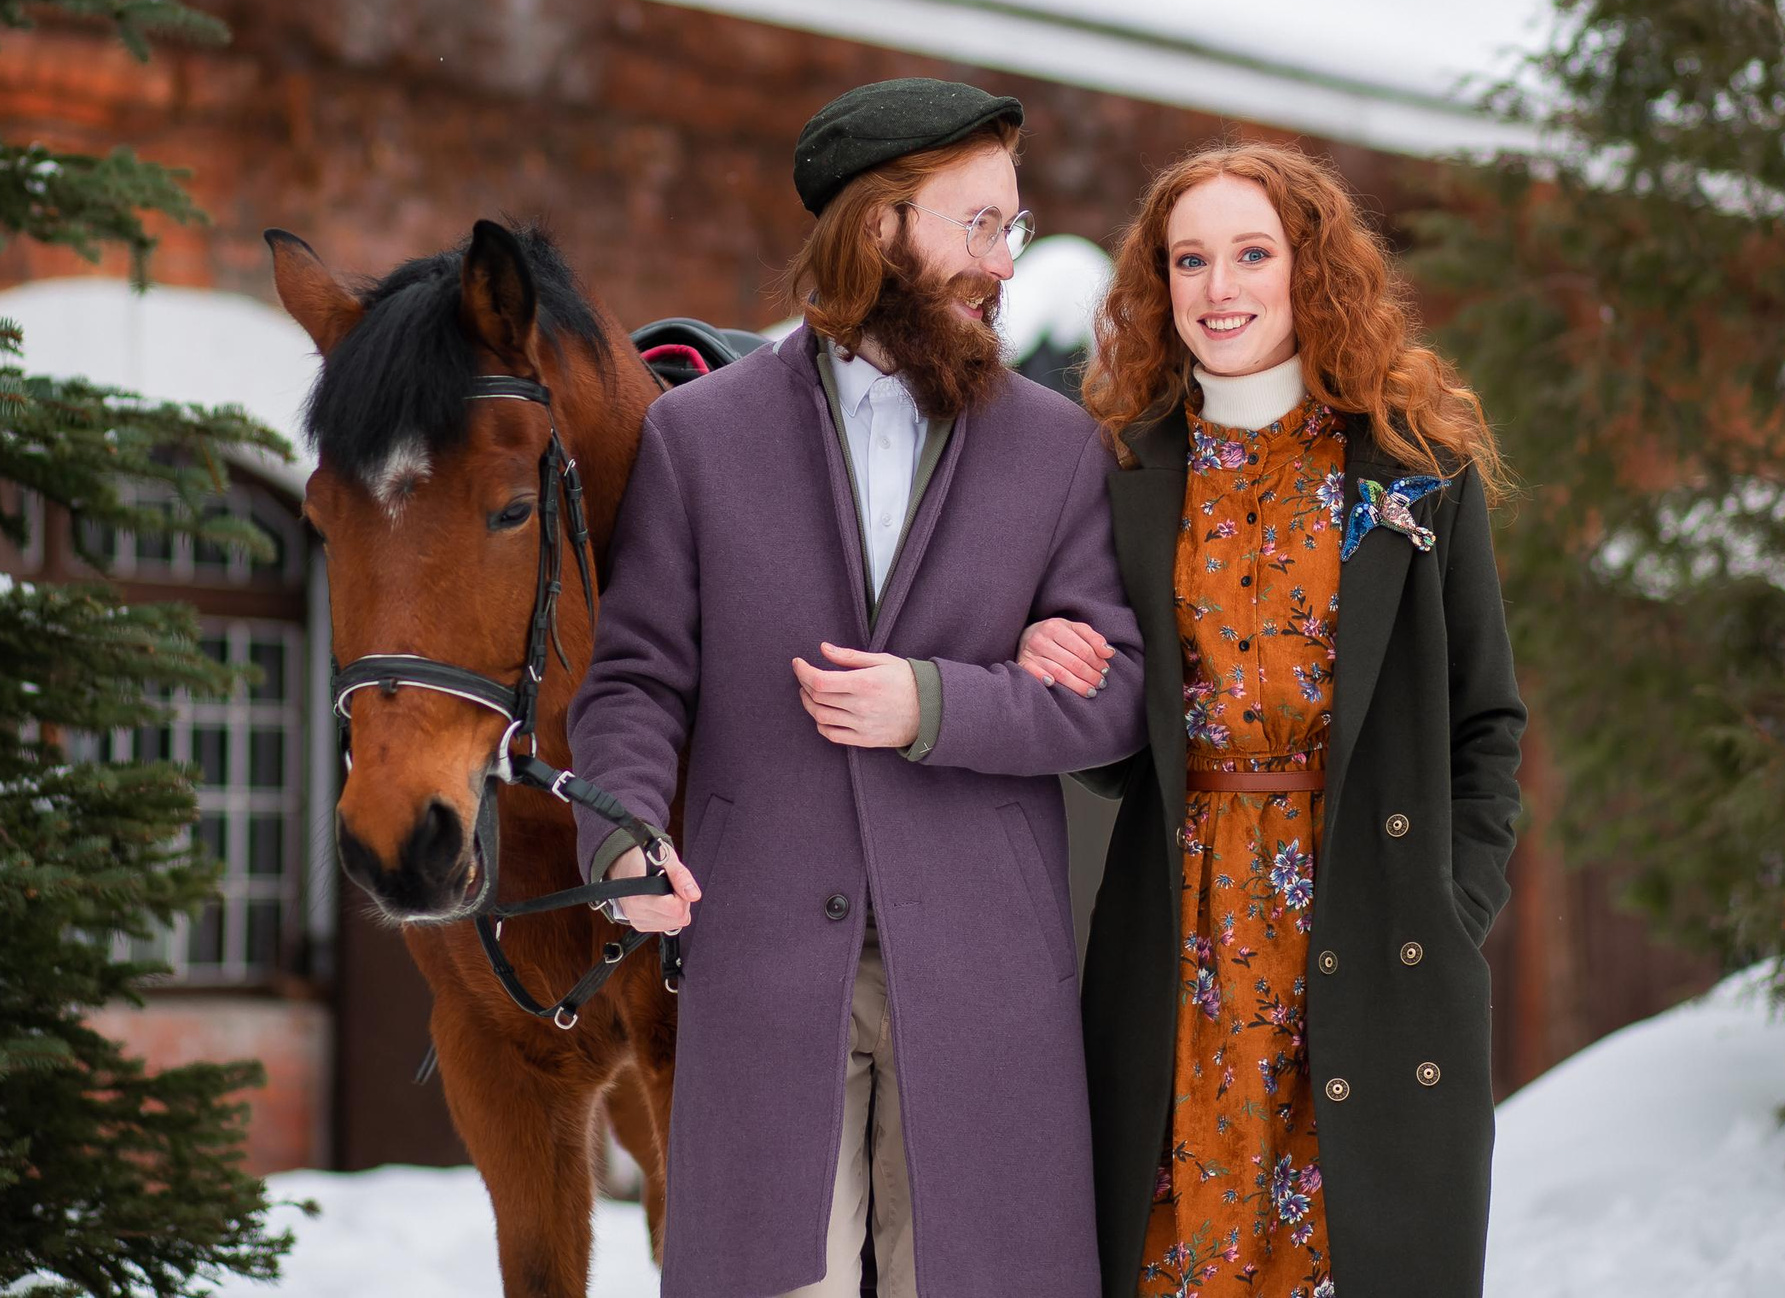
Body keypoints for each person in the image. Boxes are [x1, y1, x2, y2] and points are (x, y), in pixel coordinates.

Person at [568, 77, 1148, 1298]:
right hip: (766, 950)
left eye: (1013, 227)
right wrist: (618, 831)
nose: (1003, 260)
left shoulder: (1057, 448)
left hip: (987, 962)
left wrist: (936, 705)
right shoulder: (701, 437)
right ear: (879, 230)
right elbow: (634, 680)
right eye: (976, 224)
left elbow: (1113, 701)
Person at [1025, 143, 1524, 1298]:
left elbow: (1484, 721)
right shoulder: (1122, 469)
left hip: (1370, 916)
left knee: (1349, 1252)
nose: (1219, 287)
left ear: (1311, 270)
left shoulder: (1410, 470)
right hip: (1178, 926)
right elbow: (1116, 753)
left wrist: (1452, 907)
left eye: (1252, 253)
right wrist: (1063, 665)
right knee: (1169, 1253)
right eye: (1188, 259)